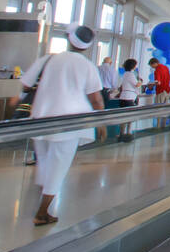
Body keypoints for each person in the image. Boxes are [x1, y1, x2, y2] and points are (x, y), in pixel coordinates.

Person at [17, 25, 105, 225]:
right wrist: (101, 122)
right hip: (70, 121)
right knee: (59, 165)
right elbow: (96, 99)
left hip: (41, 118)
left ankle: (43, 202)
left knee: (46, 163)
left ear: (69, 39)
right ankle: (42, 212)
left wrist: (18, 98)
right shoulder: (86, 65)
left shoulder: (48, 59)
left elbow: (25, 83)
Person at [114, 58, 141, 141]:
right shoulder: (131, 74)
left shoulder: (125, 74)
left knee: (123, 116)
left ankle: (122, 133)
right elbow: (137, 85)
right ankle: (127, 134)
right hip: (129, 97)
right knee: (129, 117)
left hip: (123, 97)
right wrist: (140, 81)